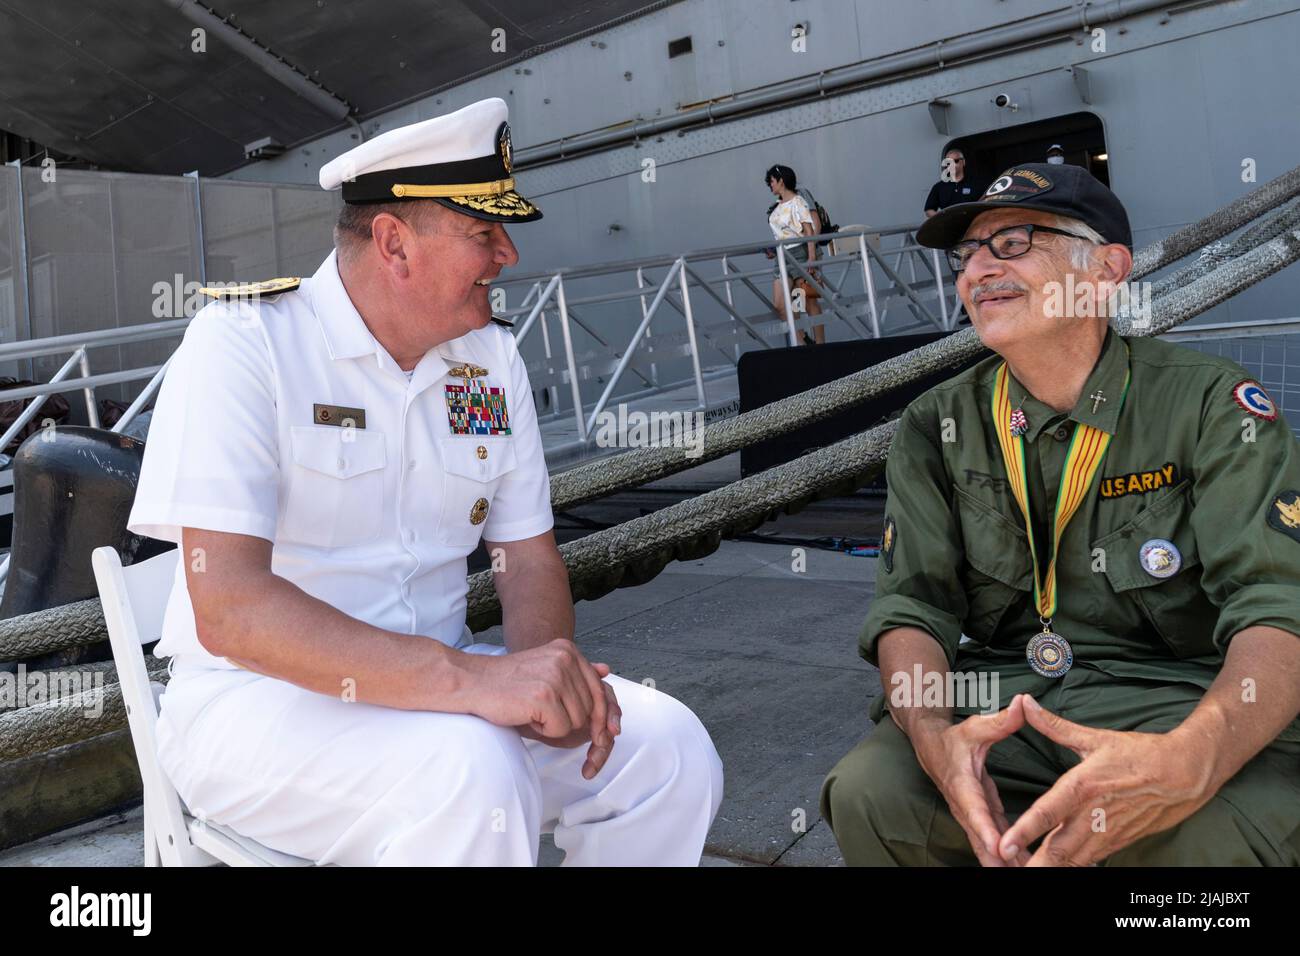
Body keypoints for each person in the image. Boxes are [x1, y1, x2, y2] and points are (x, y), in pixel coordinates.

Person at [128, 97, 724, 866]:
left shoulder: (488, 360)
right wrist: (475, 682)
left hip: (451, 704)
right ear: (394, 242)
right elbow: (233, 611)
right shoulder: (244, 346)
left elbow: (528, 559)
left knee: (667, 750)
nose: (506, 253)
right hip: (260, 708)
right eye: (483, 232)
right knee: (471, 775)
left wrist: (549, 681)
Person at [821, 162, 1300, 866]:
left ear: (1106, 269)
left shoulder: (1213, 407)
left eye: (1012, 242)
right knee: (872, 792)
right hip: (1004, 702)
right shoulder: (937, 423)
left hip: (1177, 700)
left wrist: (1193, 756)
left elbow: (1277, 602)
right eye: (966, 255)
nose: (976, 270)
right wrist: (933, 739)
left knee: (1216, 836)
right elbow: (912, 607)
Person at [765, 164, 825, 345]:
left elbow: (810, 227)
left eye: (772, 182)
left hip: (800, 253)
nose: (770, 186)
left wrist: (811, 257)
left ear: (781, 180)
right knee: (781, 304)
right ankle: (803, 340)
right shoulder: (775, 206)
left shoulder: (799, 199)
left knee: (807, 300)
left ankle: (820, 344)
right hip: (783, 257)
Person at [923, 148, 979, 218]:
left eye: (956, 161)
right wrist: (941, 219)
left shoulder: (976, 184)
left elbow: (984, 202)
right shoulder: (939, 187)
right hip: (948, 226)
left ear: (963, 162)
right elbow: (929, 209)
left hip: (972, 225)